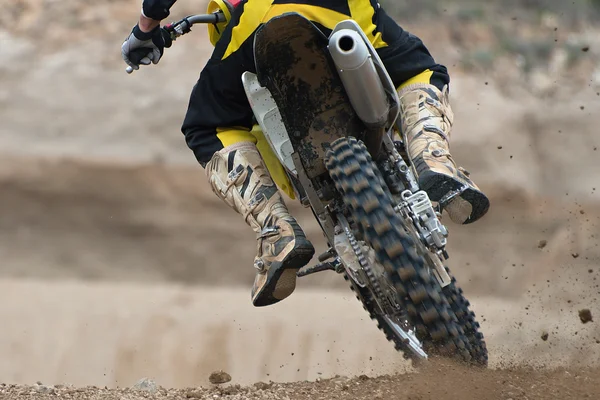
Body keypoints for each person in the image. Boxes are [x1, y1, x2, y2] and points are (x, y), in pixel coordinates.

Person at [121, 0, 490, 307]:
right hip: (342, 8)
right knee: (418, 70)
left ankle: (276, 232)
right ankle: (434, 159)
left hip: (256, 18)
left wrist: (147, 26)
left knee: (206, 126)